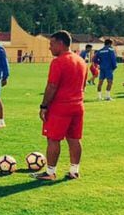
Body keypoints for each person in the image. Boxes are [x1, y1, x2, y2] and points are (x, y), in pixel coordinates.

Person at [33, 31, 88, 180]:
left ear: (60, 44)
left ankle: (50, 173)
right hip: (78, 106)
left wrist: (44, 106)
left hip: (60, 107)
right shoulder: (81, 61)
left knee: (53, 139)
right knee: (74, 139)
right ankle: (74, 171)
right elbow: (84, 85)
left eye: (51, 44)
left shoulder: (58, 62)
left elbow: (52, 86)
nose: (50, 48)